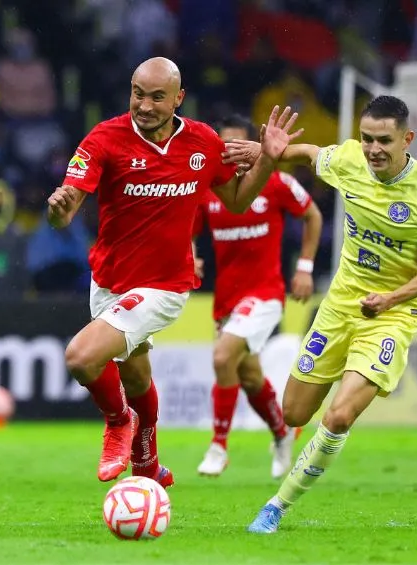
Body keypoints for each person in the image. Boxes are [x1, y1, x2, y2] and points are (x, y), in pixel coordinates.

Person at [46, 57, 300, 487]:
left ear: (178, 98)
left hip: (165, 286)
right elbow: (65, 208)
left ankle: (117, 421)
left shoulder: (201, 141)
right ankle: (148, 463)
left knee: (81, 358)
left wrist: (268, 162)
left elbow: (237, 200)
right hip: (110, 280)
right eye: (137, 93)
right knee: (136, 374)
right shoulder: (104, 138)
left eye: (156, 97)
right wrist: (60, 212)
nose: (143, 105)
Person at [224, 95, 417, 533]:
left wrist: (391, 299)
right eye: (367, 138)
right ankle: (290, 453)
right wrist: (265, 151)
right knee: (294, 413)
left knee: (338, 416)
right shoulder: (349, 160)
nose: (373, 150)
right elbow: (310, 154)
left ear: (407, 138)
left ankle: (276, 506)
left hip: (392, 315)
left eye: (384, 141)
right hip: (339, 307)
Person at [193, 114, 323, 479]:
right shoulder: (211, 191)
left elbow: (313, 216)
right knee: (247, 376)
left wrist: (305, 267)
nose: (230, 154)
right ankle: (282, 432)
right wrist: (192, 255)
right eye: (224, 147)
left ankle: (218, 446)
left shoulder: (278, 183)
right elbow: (187, 228)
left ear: (251, 148)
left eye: (237, 146)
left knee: (222, 357)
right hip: (227, 301)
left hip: (265, 294)